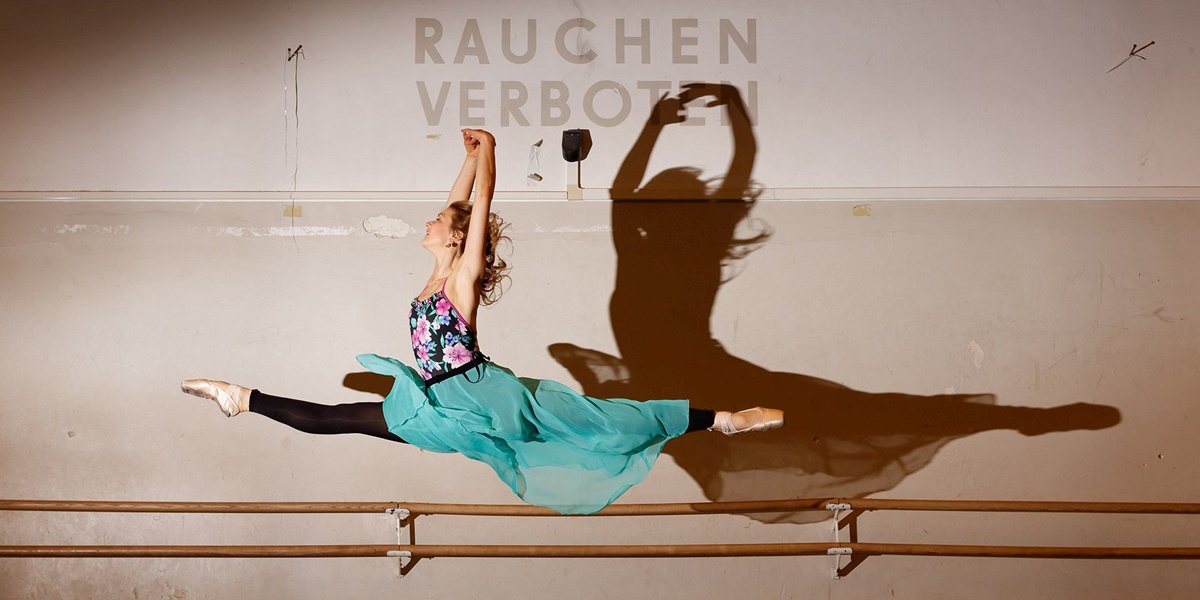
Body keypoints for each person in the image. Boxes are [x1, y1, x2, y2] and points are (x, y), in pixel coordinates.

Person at [182, 129, 783, 514]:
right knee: (336, 419)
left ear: (455, 238)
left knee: (605, 422)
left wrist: (489, 150)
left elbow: (482, 200)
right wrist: (466, 159)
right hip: (440, 402)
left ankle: (722, 419)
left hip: (478, 393)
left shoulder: (461, 279)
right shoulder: (435, 273)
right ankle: (241, 398)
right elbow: (459, 203)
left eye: (438, 222)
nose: (427, 222)